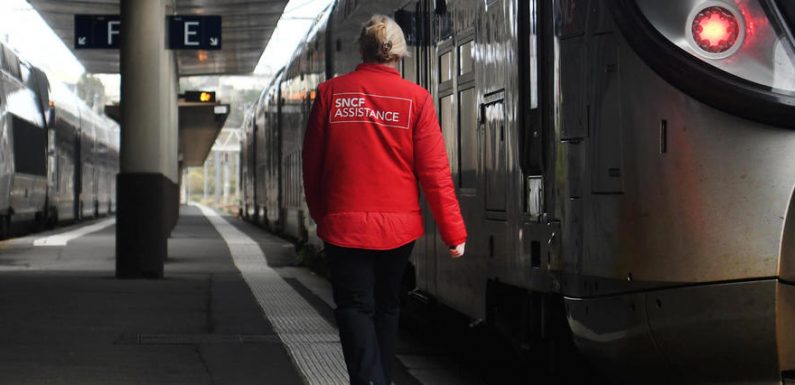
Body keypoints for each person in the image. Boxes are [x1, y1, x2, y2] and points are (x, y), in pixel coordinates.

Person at [302, 14, 467, 385]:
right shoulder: (418, 99)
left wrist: (322, 214)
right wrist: (453, 233)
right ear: (400, 53)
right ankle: (382, 378)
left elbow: (312, 165)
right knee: (387, 305)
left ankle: (369, 379)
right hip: (398, 228)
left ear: (361, 49)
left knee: (354, 307)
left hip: (344, 225)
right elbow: (435, 173)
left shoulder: (331, 94)